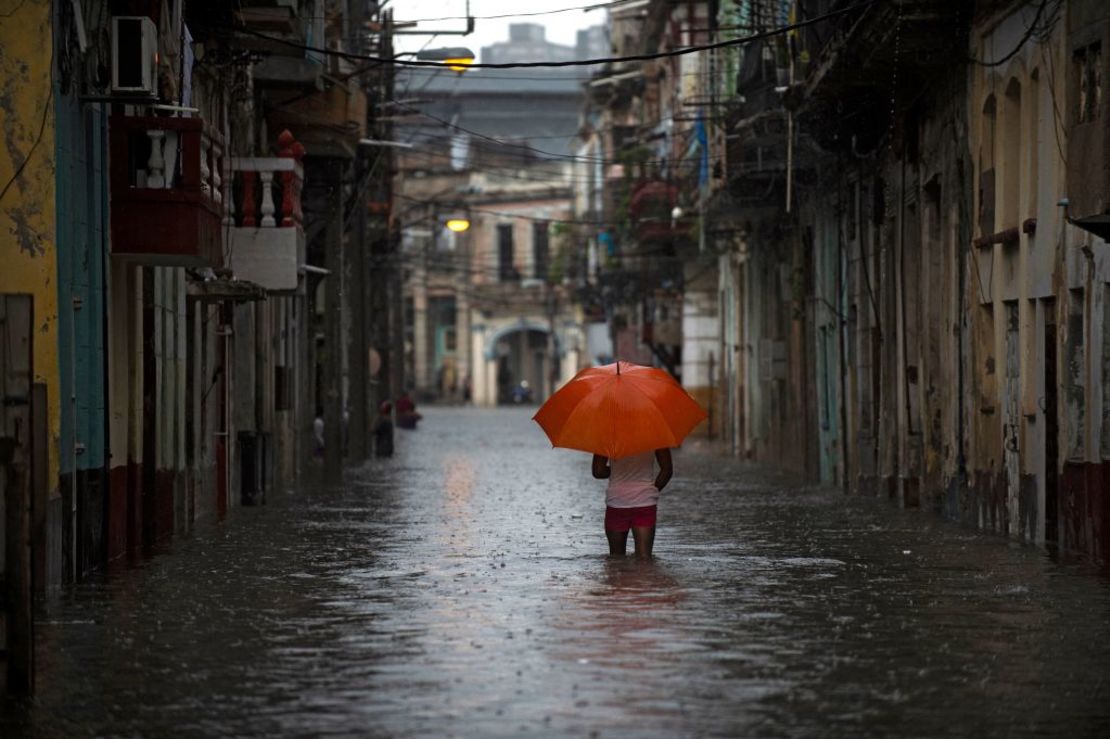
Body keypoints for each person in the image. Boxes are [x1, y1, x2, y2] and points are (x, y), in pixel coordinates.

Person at [592, 449, 673, 559]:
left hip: (617, 501)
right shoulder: (656, 434)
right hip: (645, 503)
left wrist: (617, 470)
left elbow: (598, 471)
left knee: (616, 560)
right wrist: (650, 492)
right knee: (644, 560)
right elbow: (667, 470)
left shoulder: (608, 435)